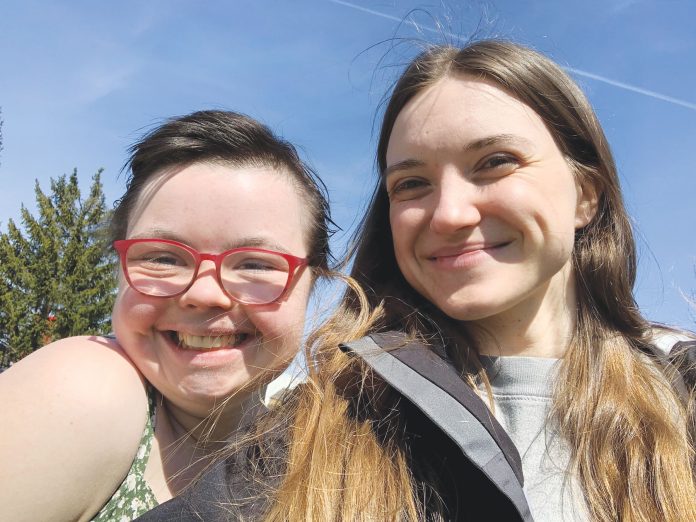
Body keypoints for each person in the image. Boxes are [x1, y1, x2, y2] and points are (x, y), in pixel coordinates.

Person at [137, 41, 696, 522]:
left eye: (495, 161)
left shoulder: (682, 397)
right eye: (411, 184)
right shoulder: (330, 418)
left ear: (586, 194)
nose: (449, 213)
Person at [0, 110, 332, 521]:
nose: (204, 294)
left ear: (314, 282)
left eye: (255, 265)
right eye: (161, 257)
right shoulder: (85, 387)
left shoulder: (320, 458)